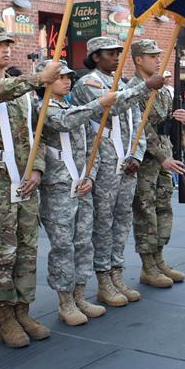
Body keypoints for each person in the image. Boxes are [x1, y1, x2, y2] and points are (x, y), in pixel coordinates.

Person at [0, 25, 61, 348]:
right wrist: (37, 79)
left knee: (27, 249)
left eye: (8, 44)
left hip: (24, 178)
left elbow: (38, 132)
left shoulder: (22, 91)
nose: (6, 49)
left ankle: (24, 309)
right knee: (0, 252)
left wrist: (37, 168)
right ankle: (5, 315)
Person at [70, 36, 162, 308]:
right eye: (110, 54)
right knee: (104, 222)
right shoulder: (88, 84)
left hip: (126, 162)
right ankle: (103, 279)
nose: (116, 58)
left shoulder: (121, 84)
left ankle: (117, 272)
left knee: (122, 220)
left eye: (118, 53)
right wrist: (144, 86)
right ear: (95, 57)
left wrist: (137, 153)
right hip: (105, 162)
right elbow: (114, 106)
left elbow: (138, 123)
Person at [35, 59, 118, 325]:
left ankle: (80, 295)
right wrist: (98, 104)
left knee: (83, 243)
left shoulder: (75, 107)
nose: (66, 80)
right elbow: (63, 123)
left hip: (81, 183)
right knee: (63, 246)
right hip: (59, 187)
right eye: (60, 77)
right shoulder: (44, 108)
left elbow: (92, 145)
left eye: (69, 76)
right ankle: (65, 301)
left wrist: (91, 176)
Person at [128, 39, 185, 289]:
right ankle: (148, 265)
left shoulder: (163, 89)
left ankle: (159, 258)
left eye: (157, 55)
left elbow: (164, 124)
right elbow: (141, 129)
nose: (157, 59)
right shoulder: (134, 88)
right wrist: (162, 157)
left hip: (166, 157)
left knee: (164, 209)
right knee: (146, 211)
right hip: (147, 161)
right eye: (151, 56)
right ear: (138, 59)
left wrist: (180, 119)